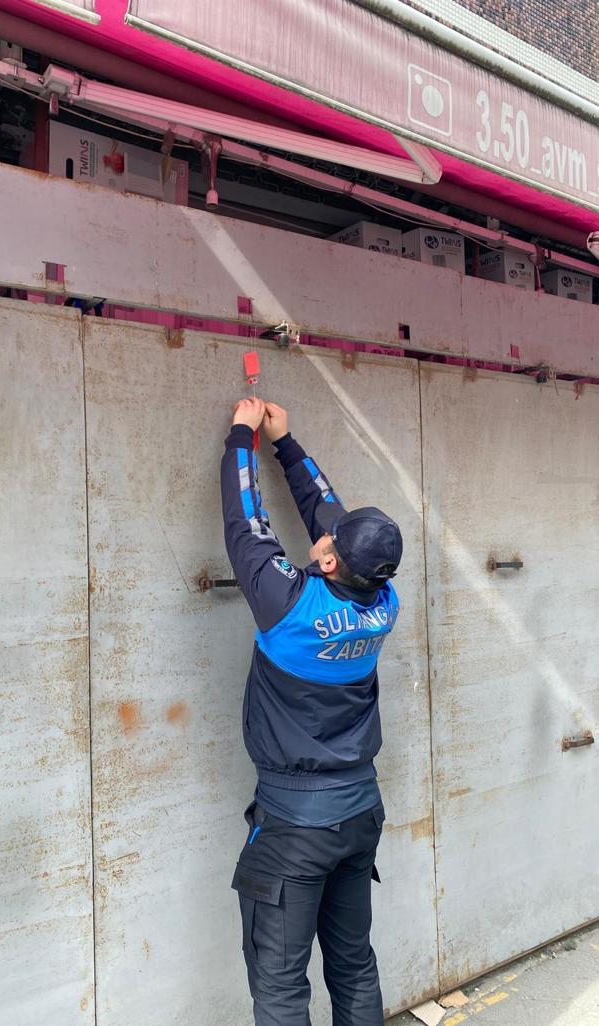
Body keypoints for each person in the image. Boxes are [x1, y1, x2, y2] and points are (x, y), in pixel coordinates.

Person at [220, 397, 403, 1026]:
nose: (324, 531)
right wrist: (287, 444)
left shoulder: (287, 607)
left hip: (296, 824)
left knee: (279, 982)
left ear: (327, 561)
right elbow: (336, 523)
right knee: (353, 963)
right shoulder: (384, 602)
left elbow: (245, 523)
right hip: (358, 812)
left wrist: (241, 436)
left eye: (327, 543)